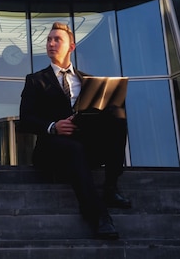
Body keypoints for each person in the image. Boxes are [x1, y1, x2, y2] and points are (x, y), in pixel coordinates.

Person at [19, 22, 131, 240]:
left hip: (84, 146)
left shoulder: (88, 80)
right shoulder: (35, 80)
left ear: (71, 46)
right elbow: (25, 120)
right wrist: (53, 126)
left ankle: (110, 187)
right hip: (51, 150)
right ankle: (99, 216)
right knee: (73, 148)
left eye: (57, 39)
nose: (51, 43)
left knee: (117, 112)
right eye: (49, 39)